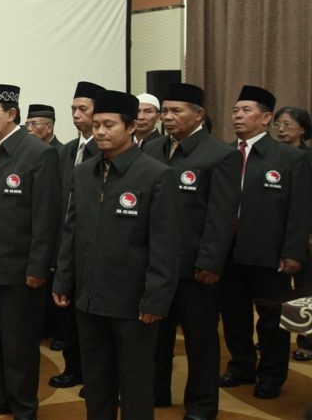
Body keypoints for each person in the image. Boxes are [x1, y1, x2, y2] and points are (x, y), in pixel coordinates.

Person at [53, 89, 180, 420]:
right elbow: (71, 231)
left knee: (136, 382)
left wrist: (155, 300)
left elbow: (165, 245)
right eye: (96, 125)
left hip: (133, 303)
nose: (100, 132)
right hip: (89, 298)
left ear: (131, 127)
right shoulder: (83, 173)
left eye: (109, 125)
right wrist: (64, 280)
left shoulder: (155, 174)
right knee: (96, 379)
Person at [0, 84, 62, 418]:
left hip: (20, 270)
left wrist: (37, 267)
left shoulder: (37, 153)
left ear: (12, 114)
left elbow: (46, 217)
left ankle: (23, 406)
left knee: (19, 343)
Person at [144, 82, 241, 418]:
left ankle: (200, 405)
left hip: (195, 267)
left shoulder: (220, 154)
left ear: (198, 114)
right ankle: (155, 392)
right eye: (165, 111)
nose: (168, 118)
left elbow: (221, 215)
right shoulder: (152, 149)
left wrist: (211, 262)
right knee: (156, 335)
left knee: (200, 340)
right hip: (156, 266)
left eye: (176, 111)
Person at [219, 85, 311, 399]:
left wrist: (293, 252)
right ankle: (241, 365)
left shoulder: (290, 158)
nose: (238, 116)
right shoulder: (225, 154)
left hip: (270, 253)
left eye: (246, 110)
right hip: (229, 252)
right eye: (235, 110)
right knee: (234, 315)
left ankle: (271, 375)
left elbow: (300, 210)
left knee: (272, 319)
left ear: (266, 117)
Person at [49, 80, 105, 389]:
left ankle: (97, 376)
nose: (76, 114)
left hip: (94, 246)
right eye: (72, 108)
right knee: (67, 312)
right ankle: (73, 368)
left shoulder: (105, 151)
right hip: (67, 242)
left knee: (92, 318)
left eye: (83, 108)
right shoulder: (68, 151)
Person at [272, 106, 312, 361]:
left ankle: (307, 341)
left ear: (303, 129)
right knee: (278, 292)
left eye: (287, 124)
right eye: (278, 124)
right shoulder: (273, 157)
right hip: (276, 235)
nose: (281, 129)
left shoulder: (307, 158)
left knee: (306, 290)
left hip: (306, 235)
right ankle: (275, 339)